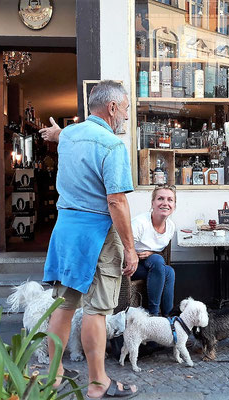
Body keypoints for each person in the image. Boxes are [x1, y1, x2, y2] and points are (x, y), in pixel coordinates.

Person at [43, 80, 139, 399]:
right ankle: (98, 383)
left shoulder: (70, 134)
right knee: (97, 310)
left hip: (65, 230)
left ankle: (54, 375)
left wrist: (54, 132)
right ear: (111, 108)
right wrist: (129, 248)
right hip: (97, 233)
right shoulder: (112, 146)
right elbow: (117, 202)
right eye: (125, 108)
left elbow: (62, 135)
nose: (126, 114)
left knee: (64, 304)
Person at [131, 184, 176, 316]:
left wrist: (153, 253)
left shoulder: (171, 227)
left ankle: (168, 317)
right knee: (160, 264)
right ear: (152, 203)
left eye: (170, 200)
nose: (165, 203)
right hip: (131, 266)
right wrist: (135, 255)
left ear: (174, 205)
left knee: (169, 271)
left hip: (152, 265)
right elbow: (121, 249)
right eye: (160, 199)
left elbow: (160, 251)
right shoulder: (140, 223)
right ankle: (154, 314)